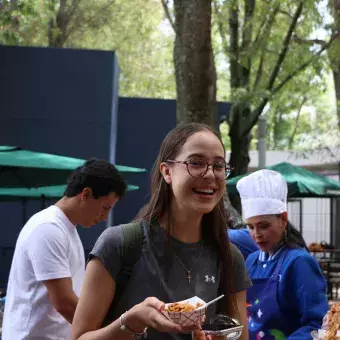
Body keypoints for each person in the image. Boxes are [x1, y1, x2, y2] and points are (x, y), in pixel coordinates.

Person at [71, 123, 252, 340]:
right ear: (167, 171)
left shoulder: (230, 258)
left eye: (219, 166)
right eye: (196, 163)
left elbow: (239, 336)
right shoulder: (119, 244)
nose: (210, 174)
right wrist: (132, 322)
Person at [2, 158, 127, 340]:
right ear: (86, 194)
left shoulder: (66, 229)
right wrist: (109, 331)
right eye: (105, 207)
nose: (104, 217)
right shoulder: (48, 228)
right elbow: (64, 302)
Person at [236, 169, 329, 340]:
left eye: (264, 225)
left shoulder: (299, 262)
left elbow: (317, 324)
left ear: (283, 220)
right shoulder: (251, 261)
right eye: (250, 227)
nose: (257, 234)